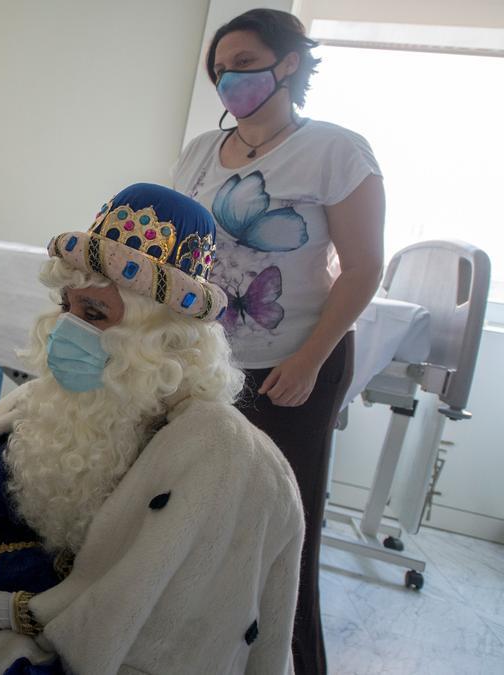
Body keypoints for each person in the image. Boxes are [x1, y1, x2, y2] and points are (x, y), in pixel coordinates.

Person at [0, 183, 304, 675]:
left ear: (160, 336)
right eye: (69, 305)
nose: (68, 329)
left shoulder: (222, 452)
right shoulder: (59, 399)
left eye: (95, 314)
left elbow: (172, 627)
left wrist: (20, 613)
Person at [171, 9, 385, 674]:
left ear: (288, 62)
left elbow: (364, 265)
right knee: (196, 509)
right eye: (219, 70)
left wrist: (309, 359)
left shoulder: (336, 150)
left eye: (241, 62)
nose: (227, 78)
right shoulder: (201, 151)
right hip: (206, 365)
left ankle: (297, 659)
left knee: (285, 524)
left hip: (292, 361)